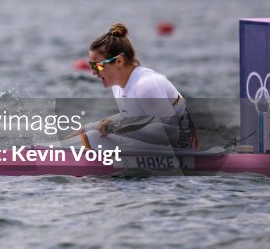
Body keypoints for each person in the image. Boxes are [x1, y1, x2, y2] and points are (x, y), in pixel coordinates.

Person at [71, 22, 198, 153]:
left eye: (98, 66)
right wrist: (110, 124)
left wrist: (116, 127)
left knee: (95, 137)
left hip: (183, 146)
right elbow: (137, 117)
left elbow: (172, 133)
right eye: (91, 66)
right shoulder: (118, 87)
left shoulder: (146, 84)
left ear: (119, 61)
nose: (93, 72)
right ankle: (52, 149)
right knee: (88, 129)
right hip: (156, 141)